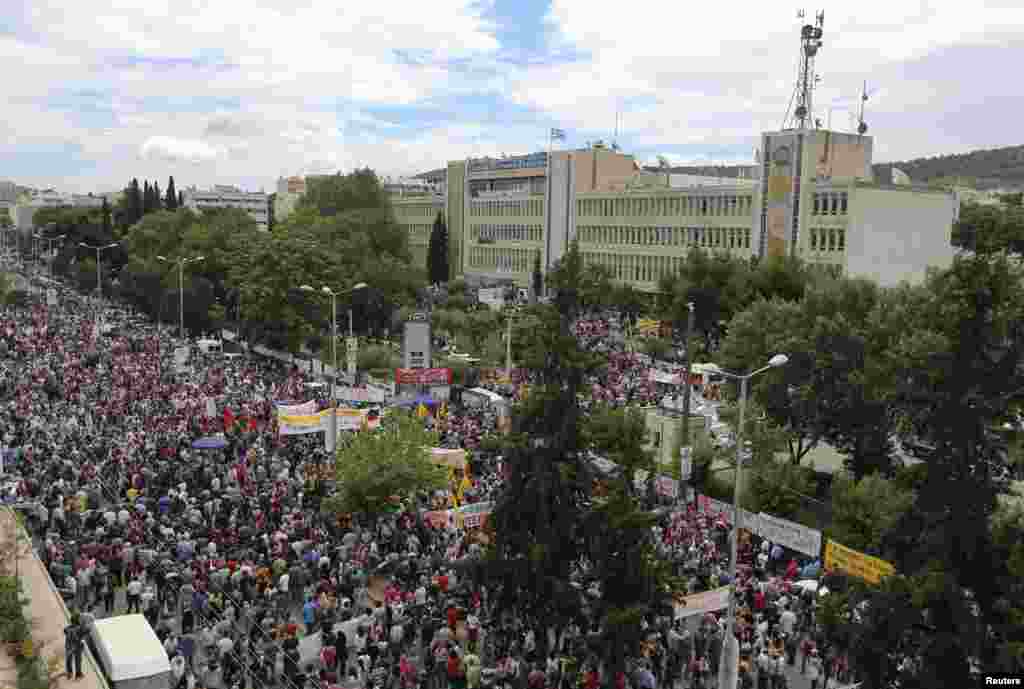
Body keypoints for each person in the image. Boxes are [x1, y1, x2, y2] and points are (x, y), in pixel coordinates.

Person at [64, 613, 85, 680]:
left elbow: (65, 631)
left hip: (69, 646)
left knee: (69, 660)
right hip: (77, 647)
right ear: (77, 620)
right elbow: (85, 632)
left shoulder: (67, 628)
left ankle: (69, 673)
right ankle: (78, 675)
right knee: (78, 660)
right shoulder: (80, 628)